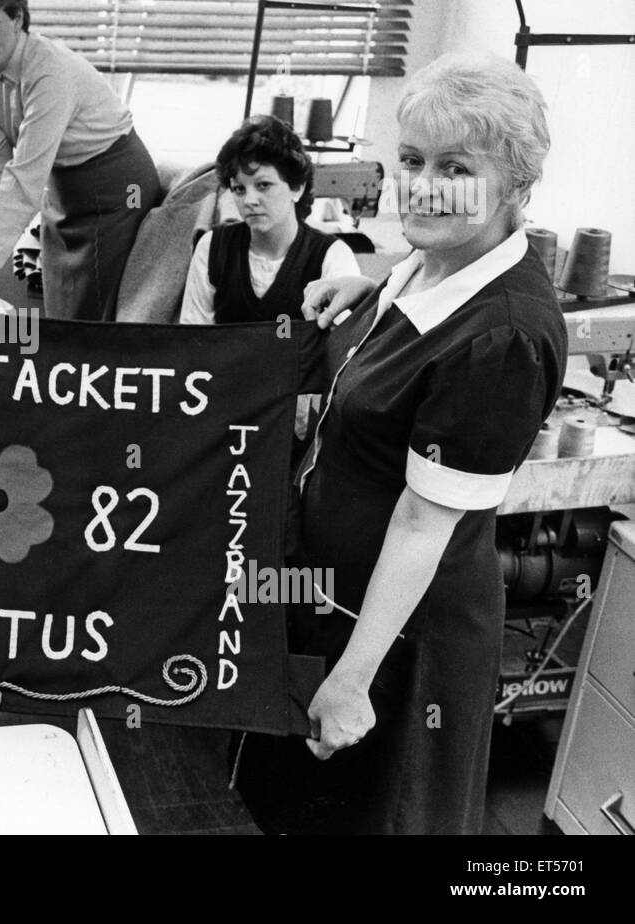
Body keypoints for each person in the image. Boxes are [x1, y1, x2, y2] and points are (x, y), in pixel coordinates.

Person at [238, 54, 567, 834]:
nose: (423, 185)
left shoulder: (503, 340)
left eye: (456, 167)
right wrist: (370, 286)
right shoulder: (436, 257)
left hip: (399, 643)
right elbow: (421, 263)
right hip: (329, 597)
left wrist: (354, 679)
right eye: (413, 160)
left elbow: (424, 524)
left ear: (516, 187)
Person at [0, 0, 163, 320]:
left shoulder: (49, 72)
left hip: (115, 191)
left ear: (17, 18)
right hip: (65, 195)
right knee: (61, 315)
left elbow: (23, 181)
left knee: (92, 325)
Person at [180, 115, 358, 325]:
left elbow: (346, 343)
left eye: (263, 185)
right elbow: (192, 341)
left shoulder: (333, 256)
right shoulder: (211, 248)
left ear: (297, 188)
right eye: (239, 189)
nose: (249, 200)